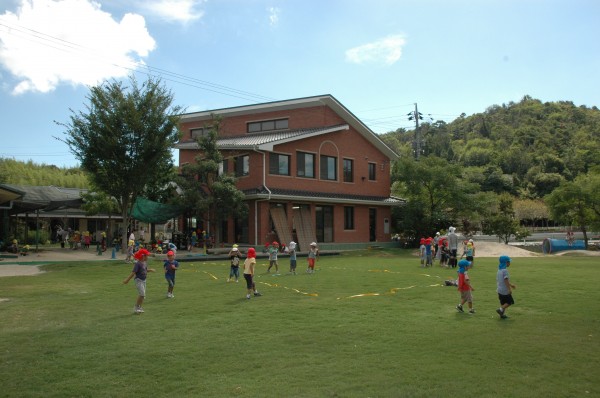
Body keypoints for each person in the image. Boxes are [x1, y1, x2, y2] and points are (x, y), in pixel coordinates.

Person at [122, 248, 155, 314]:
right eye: (146, 255)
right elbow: (133, 273)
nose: (147, 257)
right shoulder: (138, 264)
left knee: (143, 295)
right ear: (143, 256)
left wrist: (150, 270)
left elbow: (145, 270)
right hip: (138, 280)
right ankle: (136, 307)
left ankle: (139, 307)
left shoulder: (145, 263)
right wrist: (127, 280)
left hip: (144, 281)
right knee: (142, 294)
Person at [496, 255, 516, 319]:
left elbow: (503, 280)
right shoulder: (505, 271)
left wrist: (511, 285)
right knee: (509, 302)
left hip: (499, 290)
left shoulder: (499, 270)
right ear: (505, 263)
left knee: (503, 303)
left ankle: (502, 315)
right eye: (508, 262)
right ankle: (500, 309)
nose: (509, 263)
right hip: (505, 290)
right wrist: (509, 289)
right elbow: (506, 280)